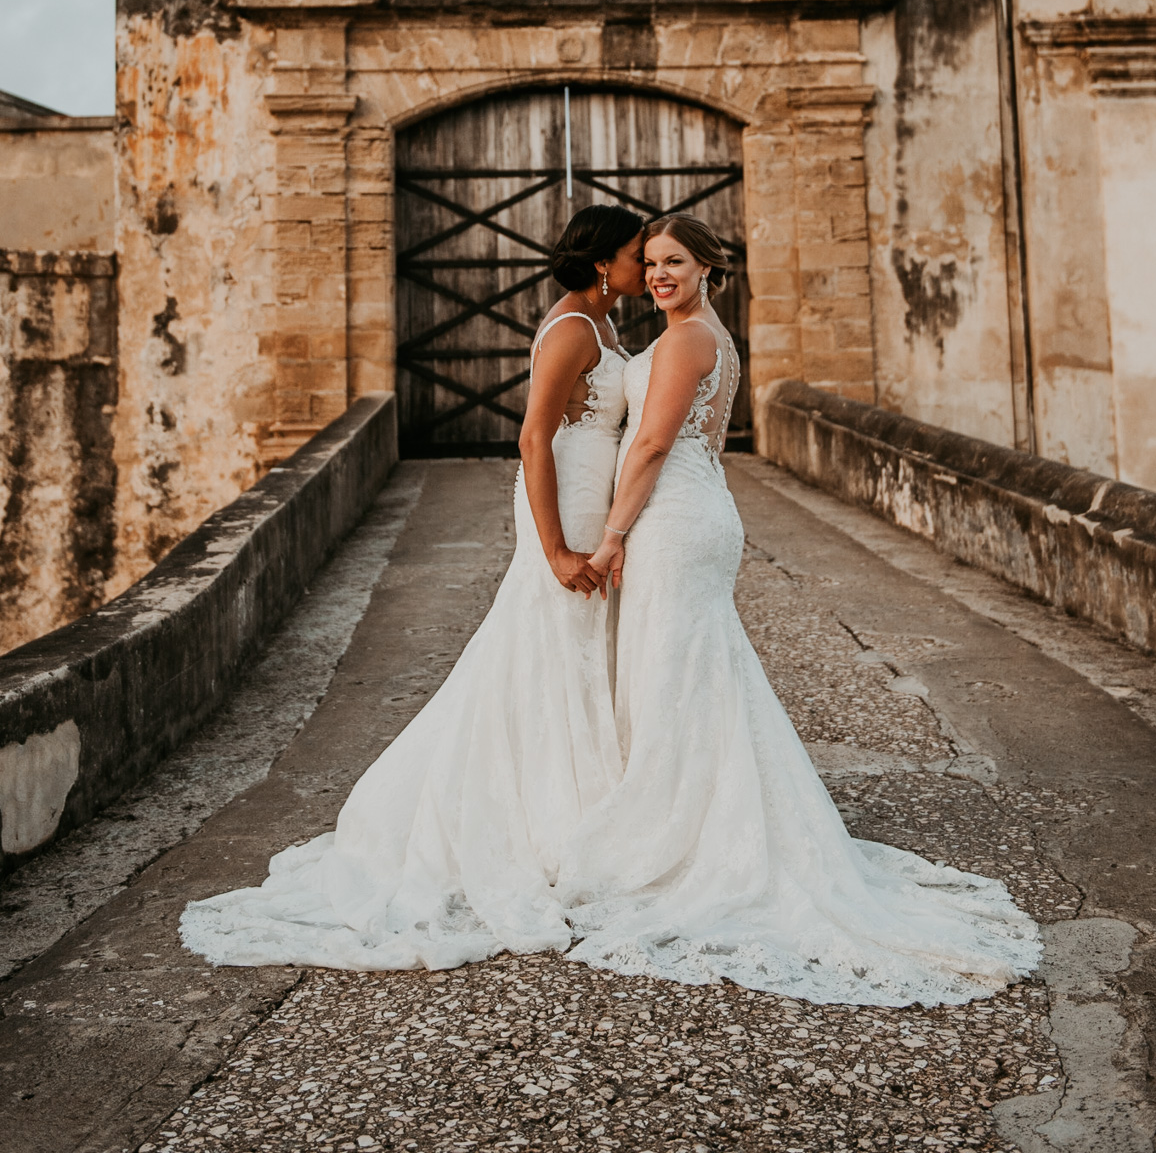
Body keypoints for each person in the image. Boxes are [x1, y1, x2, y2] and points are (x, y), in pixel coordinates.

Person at [561, 214, 1041, 1006]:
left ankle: (687, 839)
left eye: (673, 262)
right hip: (694, 514)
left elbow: (649, 447)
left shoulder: (685, 341)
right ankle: (705, 817)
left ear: (709, 266)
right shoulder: (708, 334)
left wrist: (611, 538)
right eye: (649, 264)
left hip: (673, 524)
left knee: (671, 674)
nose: (657, 276)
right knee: (693, 674)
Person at [179, 204, 646, 971]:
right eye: (634, 253)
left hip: (594, 490)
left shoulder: (601, 325)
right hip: (568, 500)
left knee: (572, 653)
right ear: (602, 263)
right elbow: (532, 435)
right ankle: (551, 818)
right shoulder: (570, 329)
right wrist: (556, 545)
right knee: (552, 645)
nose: (643, 264)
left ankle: (587, 803)